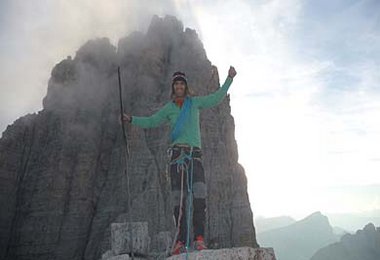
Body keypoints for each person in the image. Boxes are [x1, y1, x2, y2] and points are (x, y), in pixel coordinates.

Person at [122, 66, 237, 255]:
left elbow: (216, 98)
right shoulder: (169, 108)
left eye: (182, 83)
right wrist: (131, 119)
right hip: (177, 158)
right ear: (173, 87)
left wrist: (229, 79)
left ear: (186, 86)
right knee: (179, 202)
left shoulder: (195, 103)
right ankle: (180, 242)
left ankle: (199, 239)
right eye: (176, 84)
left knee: (199, 198)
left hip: (194, 156)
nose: (179, 86)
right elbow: (151, 121)